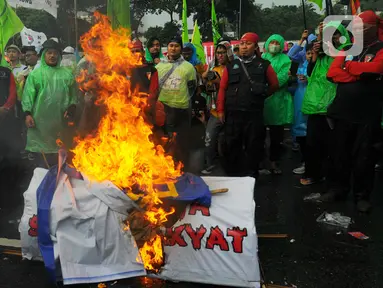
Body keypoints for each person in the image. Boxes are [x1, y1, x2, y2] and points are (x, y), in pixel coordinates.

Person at [324, 11, 383, 212]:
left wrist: (347, 67)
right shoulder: (347, 47)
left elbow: (376, 69)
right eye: (355, 27)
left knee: (364, 158)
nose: (357, 31)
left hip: (367, 115)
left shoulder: (380, 48)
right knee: (338, 154)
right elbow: (332, 73)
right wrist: (358, 73)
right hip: (342, 113)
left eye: (362, 27)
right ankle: (337, 190)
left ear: (374, 27)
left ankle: (362, 196)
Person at [216, 32, 279, 178]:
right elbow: (222, 88)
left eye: (248, 44)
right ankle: (234, 175)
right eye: (242, 44)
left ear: (256, 46)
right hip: (233, 113)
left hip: (253, 114)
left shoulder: (264, 65)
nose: (244, 47)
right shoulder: (231, 66)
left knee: (254, 146)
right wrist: (220, 110)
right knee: (232, 145)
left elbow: (274, 85)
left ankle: (251, 176)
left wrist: (261, 96)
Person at [299, 21, 351, 186]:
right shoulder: (320, 54)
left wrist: (324, 39)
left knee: (334, 145)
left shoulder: (346, 51)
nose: (332, 38)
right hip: (315, 106)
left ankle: (333, 178)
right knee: (313, 143)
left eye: (335, 34)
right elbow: (310, 72)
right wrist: (315, 53)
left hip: (333, 106)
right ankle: (313, 173)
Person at [22, 39, 78, 168]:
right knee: (42, 164)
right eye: (49, 53)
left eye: (55, 53)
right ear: (44, 55)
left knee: (60, 160)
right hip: (39, 123)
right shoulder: (36, 75)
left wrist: (72, 108)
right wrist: (27, 114)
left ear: (59, 55)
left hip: (60, 122)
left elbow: (73, 96)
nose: (52, 56)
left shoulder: (67, 74)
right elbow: (28, 96)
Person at [155, 35, 197, 170]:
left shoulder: (189, 67)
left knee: (182, 143)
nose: (173, 49)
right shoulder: (159, 66)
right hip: (163, 110)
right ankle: (167, 171)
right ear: (167, 48)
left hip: (182, 110)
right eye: (171, 45)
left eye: (176, 46)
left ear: (181, 48)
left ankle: (182, 171)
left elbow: (192, 89)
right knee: (166, 143)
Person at [262, 34, 293, 174]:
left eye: (277, 42)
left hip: (278, 101)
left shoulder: (285, 59)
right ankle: (261, 163)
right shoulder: (263, 58)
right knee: (259, 135)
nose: (274, 45)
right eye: (271, 42)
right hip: (263, 101)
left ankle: (274, 163)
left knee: (276, 136)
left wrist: (265, 88)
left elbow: (281, 78)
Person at [201, 41, 231, 174]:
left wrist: (221, 82)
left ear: (228, 53)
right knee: (209, 138)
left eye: (223, 52)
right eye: (218, 52)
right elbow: (208, 90)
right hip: (215, 110)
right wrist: (208, 80)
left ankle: (231, 166)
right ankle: (210, 164)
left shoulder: (235, 67)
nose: (220, 55)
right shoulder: (213, 70)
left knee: (229, 141)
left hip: (231, 110)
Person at [0, 52, 17, 162]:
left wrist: (5, 108)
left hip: (5, 115)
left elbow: (13, 93)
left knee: (6, 148)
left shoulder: (6, 72)